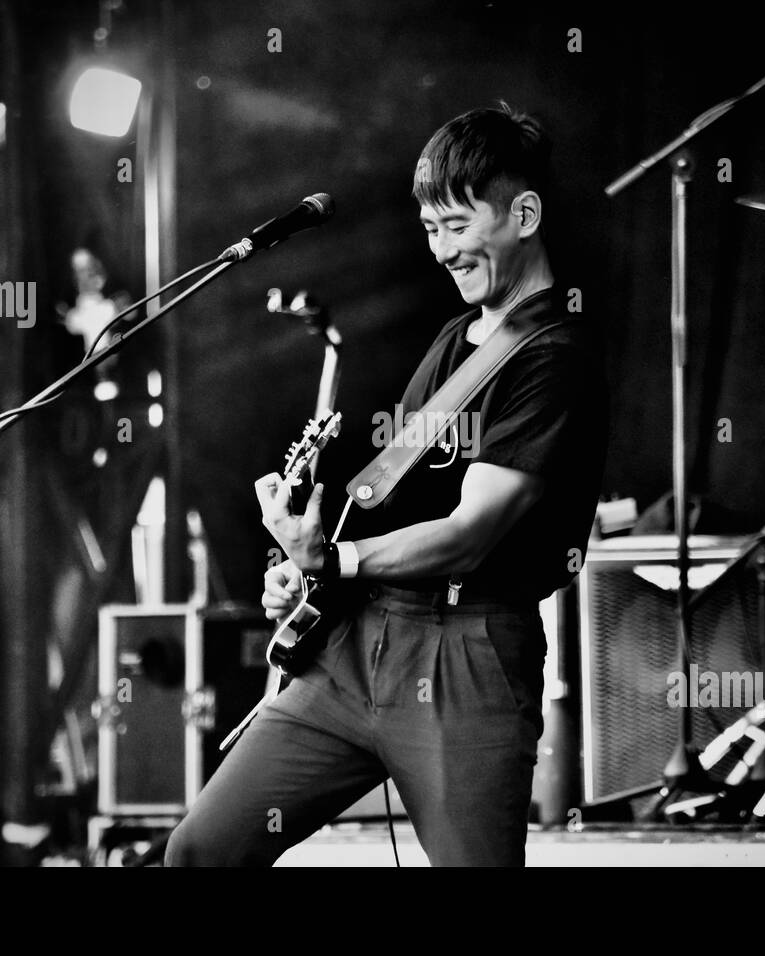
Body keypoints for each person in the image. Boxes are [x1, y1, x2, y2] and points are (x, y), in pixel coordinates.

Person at [165, 103, 607, 866]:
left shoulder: (552, 354)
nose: (442, 252)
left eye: (457, 226)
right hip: (351, 650)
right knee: (199, 851)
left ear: (525, 213)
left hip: (467, 661)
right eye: (431, 229)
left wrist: (331, 562)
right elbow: (395, 501)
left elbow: (470, 532)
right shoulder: (454, 338)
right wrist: (304, 572)